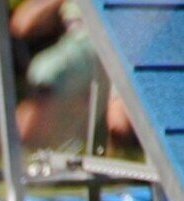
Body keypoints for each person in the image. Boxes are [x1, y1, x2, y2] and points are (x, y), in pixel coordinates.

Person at [9, 0, 132, 149]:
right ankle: (17, 148)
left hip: (125, 47)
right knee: (48, 71)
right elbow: (22, 24)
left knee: (119, 125)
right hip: (79, 51)